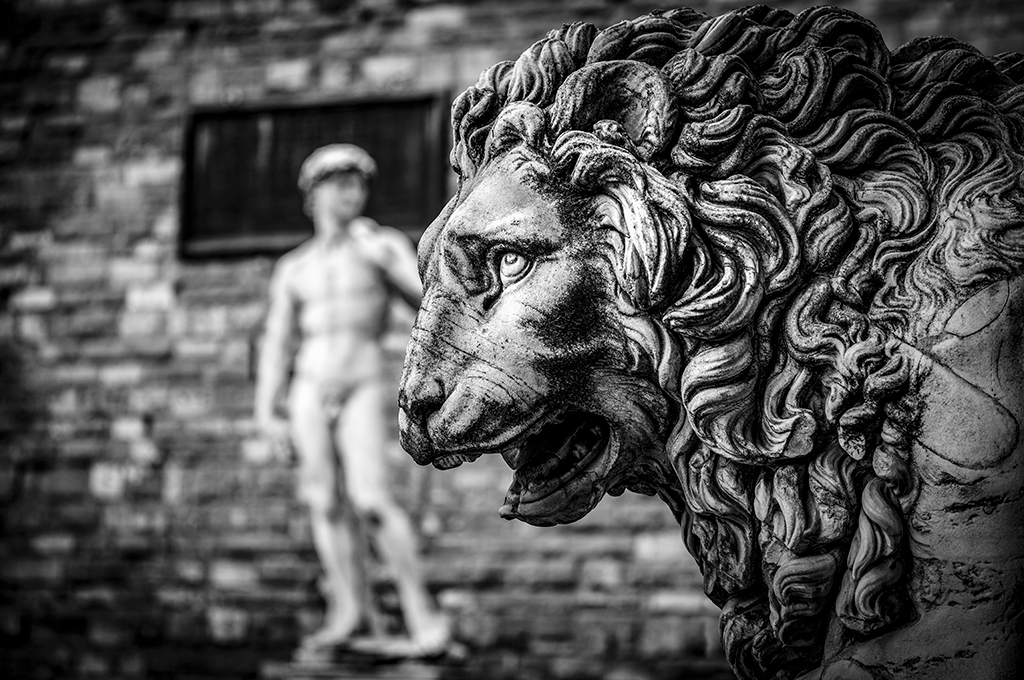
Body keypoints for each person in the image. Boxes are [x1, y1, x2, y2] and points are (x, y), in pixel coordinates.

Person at [254, 144, 449, 657]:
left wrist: (388, 261)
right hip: (308, 388)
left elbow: (428, 305)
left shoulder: (380, 244)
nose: (350, 191)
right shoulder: (295, 267)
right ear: (312, 193)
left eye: (357, 182)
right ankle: (349, 612)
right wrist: (265, 411)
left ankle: (421, 616)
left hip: (360, 379)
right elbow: (276, 342)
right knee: (324, 502)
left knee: (370, 500)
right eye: (337, 181)